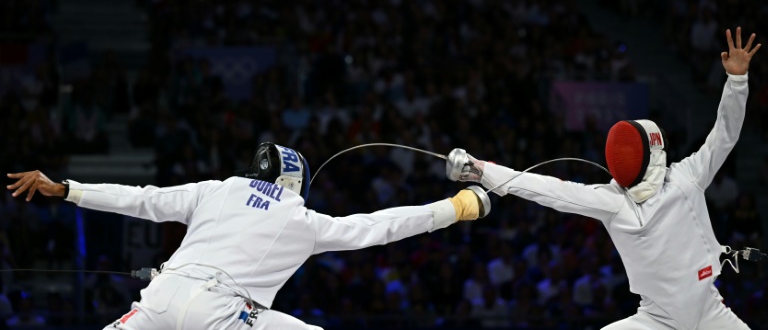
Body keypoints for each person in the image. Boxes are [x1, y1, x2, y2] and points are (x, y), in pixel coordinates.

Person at [444, 28, 760, 329]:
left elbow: (724, 135)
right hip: (656, 321)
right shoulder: (615, 200)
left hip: (709, 312)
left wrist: (736, 80)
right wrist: (481, 169)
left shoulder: (685, 177)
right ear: (656, 150)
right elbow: (544, 188)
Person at [7, 142, 491, 330]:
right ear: (295, 184)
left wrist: (66, 188)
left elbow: (141, 199)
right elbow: (377, 228)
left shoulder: (215, 190)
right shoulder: (303, 220)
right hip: (222, 312)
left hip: (159, 299)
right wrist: (454, 207)